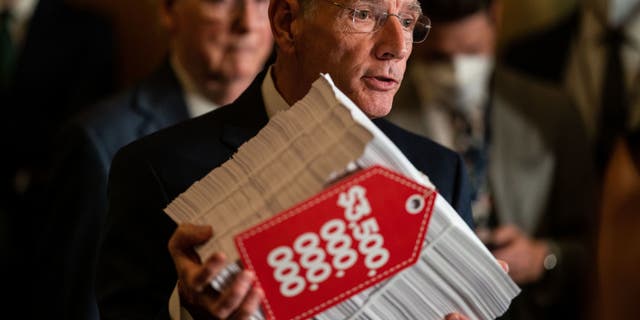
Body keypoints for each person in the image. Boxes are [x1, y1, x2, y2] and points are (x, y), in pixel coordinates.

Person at [95, 0, 485, 318]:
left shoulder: (440, 172)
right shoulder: (155, 169)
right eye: (364, 15)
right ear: (286, 23)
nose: (398, 47)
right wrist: (191, 313)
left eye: (407, 20)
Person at [27, 0, 274, 319]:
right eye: (221, 1)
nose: (248, 23)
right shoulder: (99, 141)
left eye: (261, 2)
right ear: (168, 11)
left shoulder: (297, 125)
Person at [387, 0, 598, 319]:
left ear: (495, 18)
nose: (457, 73)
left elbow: (597, 243)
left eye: (472, 53)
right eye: (439, 59)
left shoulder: (550, 113)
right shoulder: (379, 119)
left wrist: (543, 257)